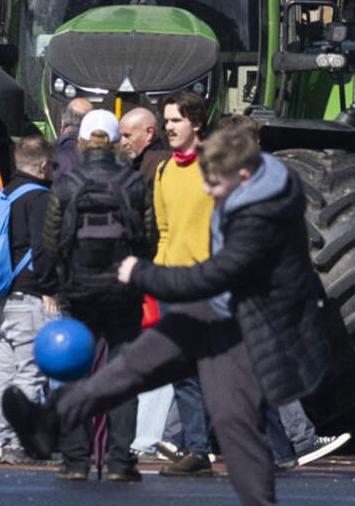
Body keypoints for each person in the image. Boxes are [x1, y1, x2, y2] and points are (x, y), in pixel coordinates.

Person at [4, 115, 324, 506]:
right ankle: (48, 424)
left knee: (232, 419)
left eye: (214, 183)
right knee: (133, 364)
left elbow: (214, 275)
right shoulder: (250, 176)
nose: (208, 190)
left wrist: (142, 274)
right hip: (219, 310)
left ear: (243, 176)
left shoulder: (263, 218)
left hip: (255, 325)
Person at [45, 107, 157, 477]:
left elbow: (50, 240)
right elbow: (149, 237)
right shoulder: (134, 182)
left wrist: (60, 282)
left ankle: (76, 461)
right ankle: (120, 462)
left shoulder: (66, 183)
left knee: (75, 374)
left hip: (78, 294)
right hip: (124, 294)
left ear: (81, 141)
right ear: (114, 143)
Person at [140, 97, 219, 475]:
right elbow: (165, 232)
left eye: (177, 120)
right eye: (167, 120)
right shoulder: (164, 171)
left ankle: (207, 446)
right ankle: (197, 449)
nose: (169, 127)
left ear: (197, 124)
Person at [0, 136, 61, 464]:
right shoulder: (40, 199)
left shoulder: (3, 194)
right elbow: (44, 249)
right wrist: (50, 287)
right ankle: (22, 444)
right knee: (30, 373)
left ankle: (7, 439)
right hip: (29, 296)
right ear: (43, 166)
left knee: (5, 371)